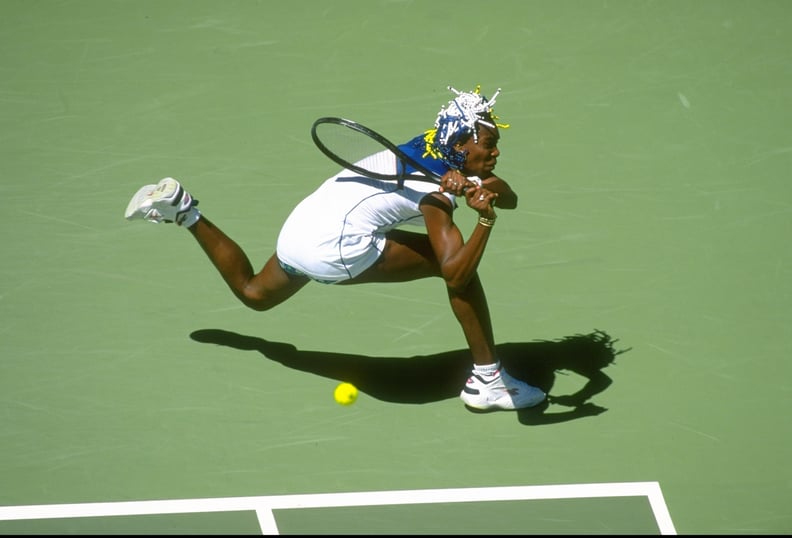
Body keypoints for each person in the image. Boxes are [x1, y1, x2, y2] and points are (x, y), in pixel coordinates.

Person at [124, 85, 546, 411]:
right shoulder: (432, 194)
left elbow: (507, 195)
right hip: (334, 246)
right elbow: (457, 269)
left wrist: (481, 191)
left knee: (254, 293)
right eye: (488, 146)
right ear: (460, 148)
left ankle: (185, 211)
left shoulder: (434, 143)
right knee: (457, 266)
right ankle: (488, 382)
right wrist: (484, 220)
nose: (495, 153)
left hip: (301, 229)